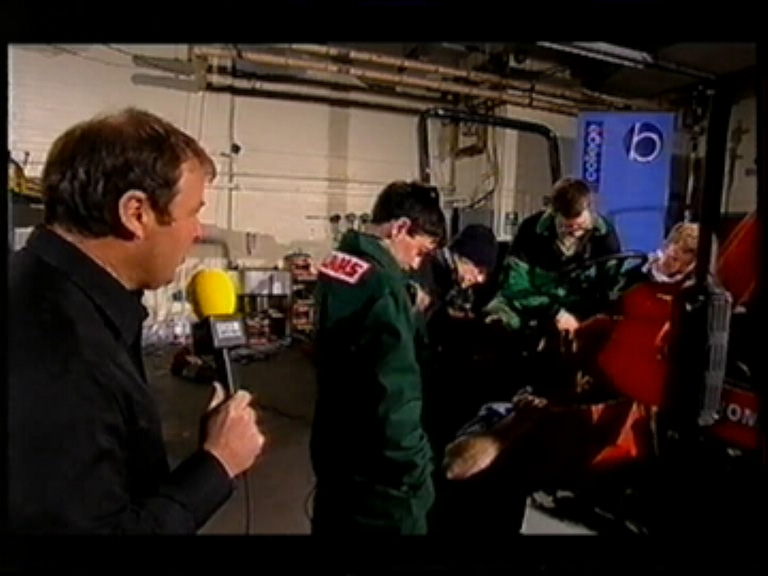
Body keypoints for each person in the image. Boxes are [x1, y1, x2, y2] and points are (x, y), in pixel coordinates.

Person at [8, 108, 265, 534]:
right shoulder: (64, 358)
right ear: (136, 213)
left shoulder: (49, 291)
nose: (198, 232)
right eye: (192, 212)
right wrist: (217, 464)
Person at [309, 180, 447, 535]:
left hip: (335, 456)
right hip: (383, 481)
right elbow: (395, 396)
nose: (416, 264)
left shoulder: (338, 263)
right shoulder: (384, 288)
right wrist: (418, 472)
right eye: (421, 250)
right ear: (400, 228)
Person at [485, 177, 622, 337]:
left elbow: (613, 285)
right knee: (497, 317)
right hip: (535, 303)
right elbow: (515, 287)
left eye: (581, 226)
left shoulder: (604, 235)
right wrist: (555, 312)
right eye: (568, 228)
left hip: (582, 308)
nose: (575, 233)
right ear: (554, 214)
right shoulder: (531, 230)